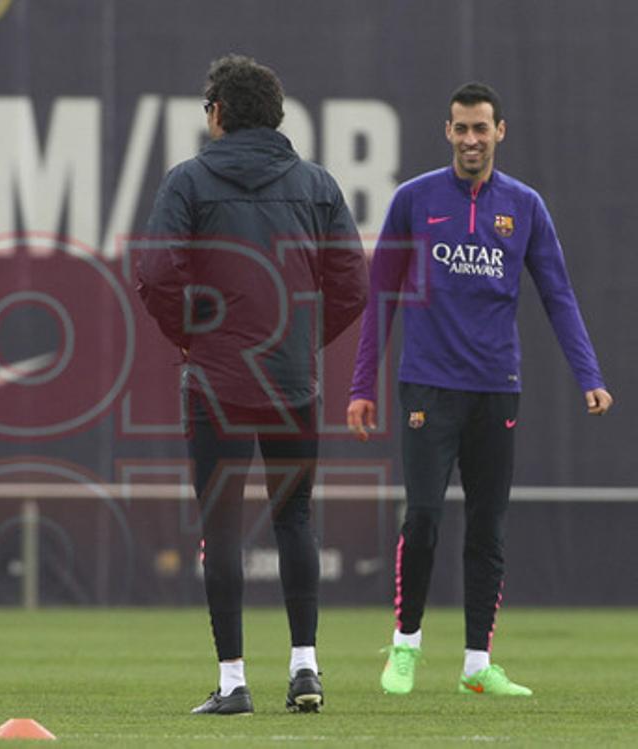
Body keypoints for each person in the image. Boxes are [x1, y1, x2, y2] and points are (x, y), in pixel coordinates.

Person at [347, 82, 612, 697]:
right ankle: (406, 646)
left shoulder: (525, 206)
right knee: (423, 516)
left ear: (500, 132)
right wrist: (362, 385)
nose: (471, 139)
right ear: (448, 132)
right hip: (427, 387)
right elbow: (380, 295)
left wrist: (590, 375)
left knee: (488, 527)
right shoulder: (414, 200)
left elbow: (558, 295)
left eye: (481, 128)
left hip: (497, 388)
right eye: (461, 128)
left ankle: (476, 664)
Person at [137, 54, 368, 714]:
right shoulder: (317, 184)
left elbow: (156, 274)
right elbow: (352, 285)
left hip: (216, 382)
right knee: (296, 517)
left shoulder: (187, 181)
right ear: (276, 116)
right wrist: (299, 340)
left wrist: (191, 334)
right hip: (292, 382)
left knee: (222, 525)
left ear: (217, 113)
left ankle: (234, 681)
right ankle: (306, 669)